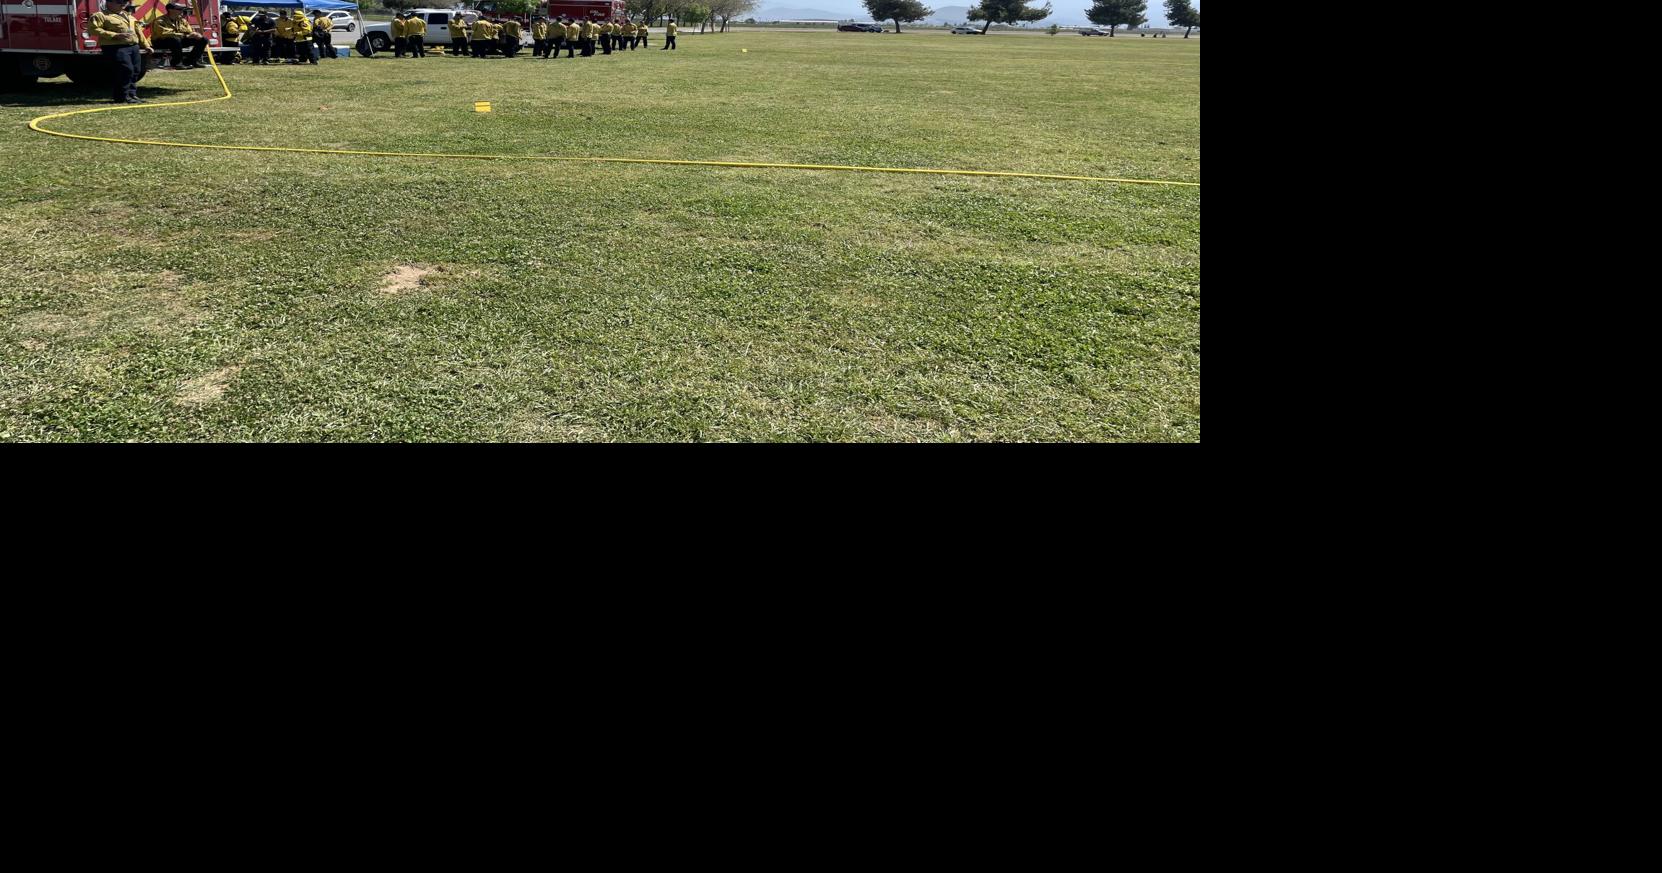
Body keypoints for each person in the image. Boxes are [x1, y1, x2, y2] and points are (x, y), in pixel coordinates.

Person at [89, 0, 150, 103]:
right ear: (109, 3)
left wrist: (146, 45)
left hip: (133, 46)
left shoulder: (128, 15)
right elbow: (92, 29)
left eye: (124, 2)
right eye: (119, 2)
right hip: (115, 47)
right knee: (125, 70)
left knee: (135, 71)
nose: (123, 4)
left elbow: (138, 31)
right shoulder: (100, 15)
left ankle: (132, 95)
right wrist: (114, 35)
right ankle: (121, 97)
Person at [152, 2, 208, 69]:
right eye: (179, 9)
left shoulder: (182, 20)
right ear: (170, 10)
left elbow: (189, 30)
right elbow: (163, 33)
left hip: (177, 40)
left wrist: (195, 34)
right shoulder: (159, 20)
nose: (181, 10)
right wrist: (185, 36)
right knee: (175, 40)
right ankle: (177, 63)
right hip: (161, 41)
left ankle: (190, 61)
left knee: (203, 40)